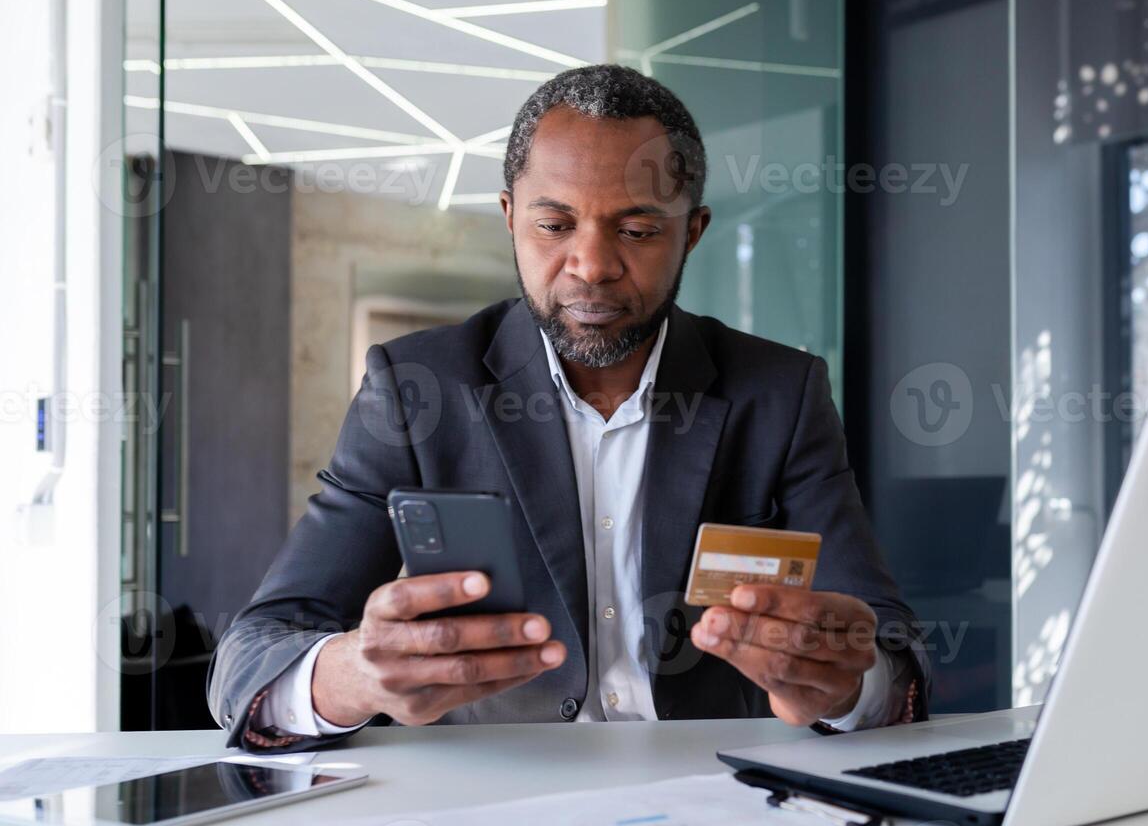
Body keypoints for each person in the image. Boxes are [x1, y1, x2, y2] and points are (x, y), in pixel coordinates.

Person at [206, 65, 929, 752]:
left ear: (693, 232)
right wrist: (358, 674)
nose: (592, 265)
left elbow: (893, 655)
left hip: (717, 797)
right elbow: (250, 658)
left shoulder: (779, 392)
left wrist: (845, 684)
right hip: (495, 810)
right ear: (509, 216)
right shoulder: (415, 388)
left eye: (638, 231)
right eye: (554, 227)